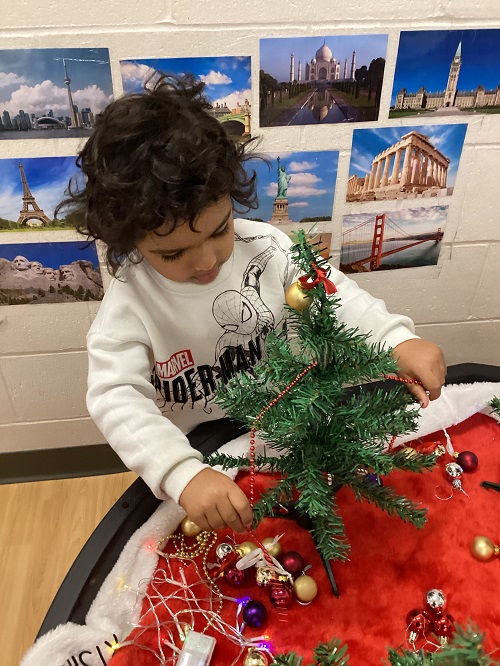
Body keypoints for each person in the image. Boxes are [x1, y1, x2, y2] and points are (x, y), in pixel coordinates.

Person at [57, 74, 446, 536]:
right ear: (130, 240)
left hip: (294, 426)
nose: (206, 261)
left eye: (219, 229)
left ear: (231, 200)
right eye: (173, 253)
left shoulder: (268, 247)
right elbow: (115, 398)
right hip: (206, 461)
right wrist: (182, 473)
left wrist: (393, 339)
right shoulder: (130, 302)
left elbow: (331, 294)